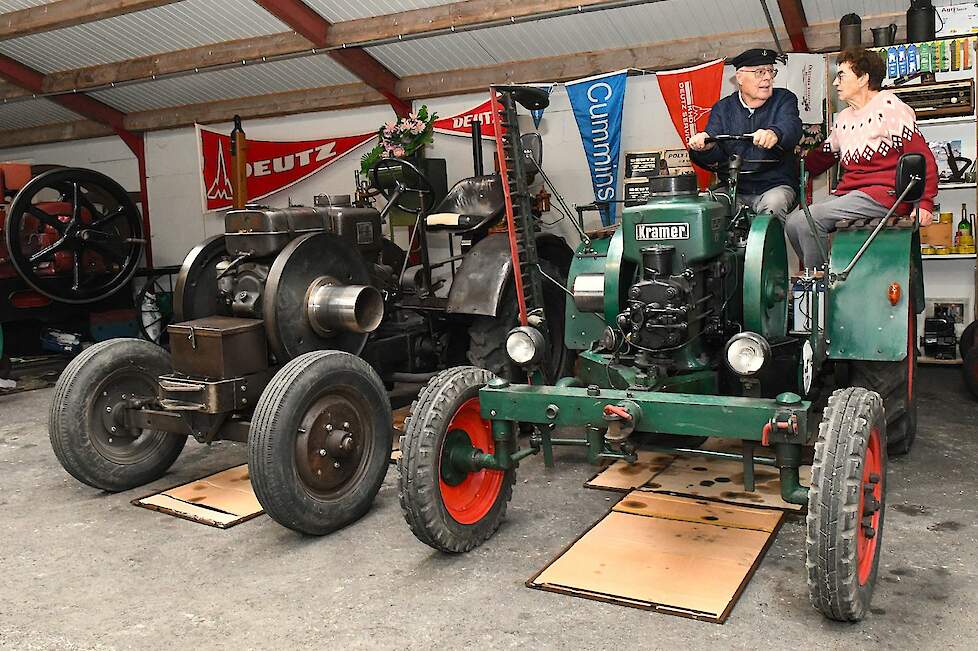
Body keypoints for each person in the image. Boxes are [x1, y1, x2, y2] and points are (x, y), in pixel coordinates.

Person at [785, 47, 937, 269]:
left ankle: (819, 287)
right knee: (793, 222)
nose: (836, 83)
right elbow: (824, 156)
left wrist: (924, 203)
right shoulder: (845, 117)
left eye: (841, 75)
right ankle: (822, 276)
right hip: (851, 194)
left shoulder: (889, 107)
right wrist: (785, 164)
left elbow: (922, 158)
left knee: (810, 219)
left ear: (863, 78)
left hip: (885, 195)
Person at [688, 48, 803, 221]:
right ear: (740, 78)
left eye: (771, 71)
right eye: (760, 72)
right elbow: (715, 149)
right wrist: (706, 145)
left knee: (774, 205)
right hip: (733, 188)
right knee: (706, 209)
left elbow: (791, 126)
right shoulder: (723, 108)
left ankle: (769, 247)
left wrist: (774, 133)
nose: (768, 77)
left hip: (774, 186)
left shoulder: (784, 99)